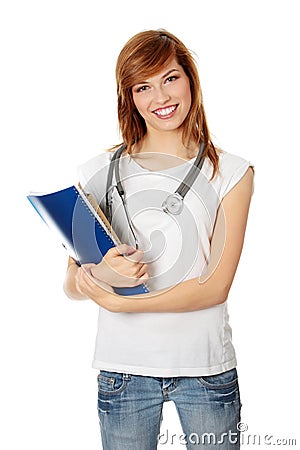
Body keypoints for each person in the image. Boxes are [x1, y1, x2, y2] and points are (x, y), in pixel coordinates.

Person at [63, 29, 254, 450]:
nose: (160, 97)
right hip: (123, 371)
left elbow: (215, 286)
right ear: (129, 97)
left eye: (170, 78)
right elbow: (71, 285)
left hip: (205, 368)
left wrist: (119, 300)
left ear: (190, 79)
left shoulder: (232, 173)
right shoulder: (98, 171)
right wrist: (100, 273)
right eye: (143, 86)